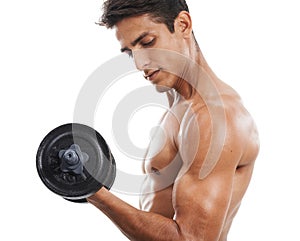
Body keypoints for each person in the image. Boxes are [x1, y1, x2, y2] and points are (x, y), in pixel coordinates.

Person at [87, 0, 260, 240]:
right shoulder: (178, 101)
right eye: (130, 53)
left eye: (148, 43)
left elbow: (191, 238)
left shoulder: (215, 119)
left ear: (183, 24)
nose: (140, 64)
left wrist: (96, 193)